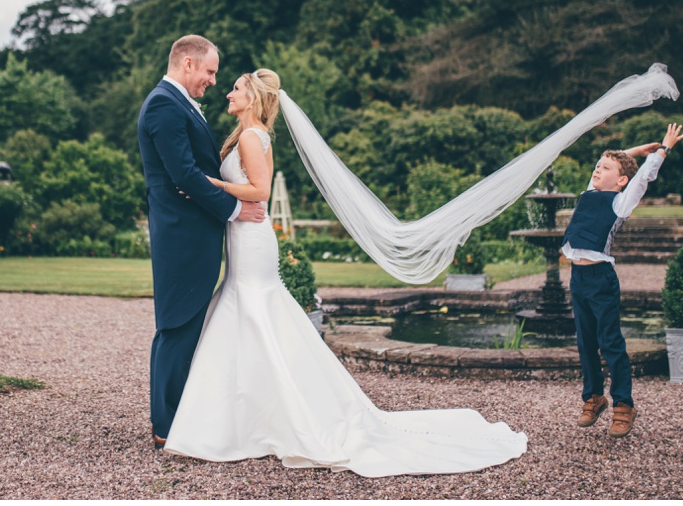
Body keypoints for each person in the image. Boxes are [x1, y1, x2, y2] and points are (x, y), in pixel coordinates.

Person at [162, 69, 528, 477]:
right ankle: (246, 414)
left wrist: (214, 183)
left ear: (254, 98)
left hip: (251, 235)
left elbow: (261, 192)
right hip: (245, 233)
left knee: (251, 307)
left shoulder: (251, 137)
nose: (228, 92)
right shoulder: (244, 134)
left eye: (236, 88)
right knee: (251, 310)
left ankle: (254, 418)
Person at [136, 35, 266, 451]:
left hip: (194, 237)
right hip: (182, 239)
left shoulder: (178, 104)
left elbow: (195, 173)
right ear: (187, 64)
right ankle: (166, 426)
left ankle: (178, 417)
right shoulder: (163, 104)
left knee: (186, 326)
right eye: (209, 71)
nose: (213, 80)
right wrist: (234, 210)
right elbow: (185, 176)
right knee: (176, 326)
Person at [563, 123, 683, 439]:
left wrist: (663, 149)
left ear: (620, 181)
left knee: (611, 344)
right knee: (585, 343)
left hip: (601, 280)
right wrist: (630, 152)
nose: (596, 170)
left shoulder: (620, 201)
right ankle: (593, 397)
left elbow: (641, 177)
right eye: (597, 167)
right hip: (578, 279)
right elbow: (612, 166)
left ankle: (623, 405)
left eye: (604, 168)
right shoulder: (589, 192)